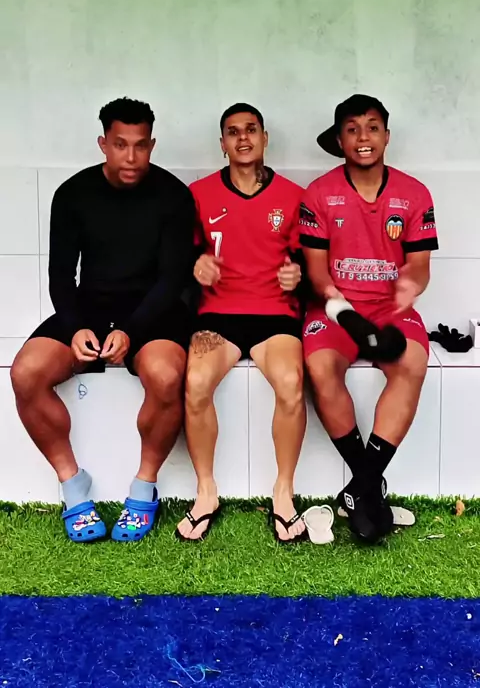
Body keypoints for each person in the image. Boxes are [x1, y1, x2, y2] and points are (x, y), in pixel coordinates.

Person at [10, 97, 195, 543]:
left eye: (140, 145)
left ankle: (144, 487)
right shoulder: (73, 194)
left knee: (166, 376)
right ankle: (74, 486)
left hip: (153, 311)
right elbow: (60, 275)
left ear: (152, 145)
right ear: (103, 144)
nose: (130, 157)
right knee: (26, 373)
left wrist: (131, 330)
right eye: (119, 145)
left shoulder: (173, 195)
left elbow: (173, 279)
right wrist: (75, 326)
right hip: (90, 309)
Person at [300, 94, 438, 543]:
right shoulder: (318, 194)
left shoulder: (414, 194)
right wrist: (345, 314)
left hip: (390, 308)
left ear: (387, 136)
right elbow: (317, 275)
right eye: (353, 129)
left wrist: (410, 286)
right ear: (340, 140)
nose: (364, 137)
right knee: (320, 367)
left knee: (413, 362)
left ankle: (360, 488)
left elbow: (419, 267)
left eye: (373, 127)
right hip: (336, 309)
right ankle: (369, 487)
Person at [176, 103, 306, 543]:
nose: (243, 138)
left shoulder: (293, 196)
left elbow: (308, 260)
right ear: (222, 144)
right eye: (233, 132)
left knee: (291, 383)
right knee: (195, 383)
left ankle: (283, 492)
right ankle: (206, 491)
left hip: (275, 314)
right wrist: (195, 265)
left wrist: (298, 275)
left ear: (265, 138)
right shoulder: (199, 194)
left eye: (251, 130)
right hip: (218, 315)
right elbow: (180, 256)